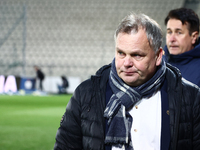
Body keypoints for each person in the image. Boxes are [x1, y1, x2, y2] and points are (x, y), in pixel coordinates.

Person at [54, 13, 200, 150]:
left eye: (137, 55)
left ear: (158, 56)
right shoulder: (86, 93)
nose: (126, 63)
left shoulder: (190, 96)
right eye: (121, 53)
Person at [163, 8, 200, 87]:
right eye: (169, 32)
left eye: (179, 33)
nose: (172, 39)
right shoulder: (157, 63)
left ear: (194, 37)